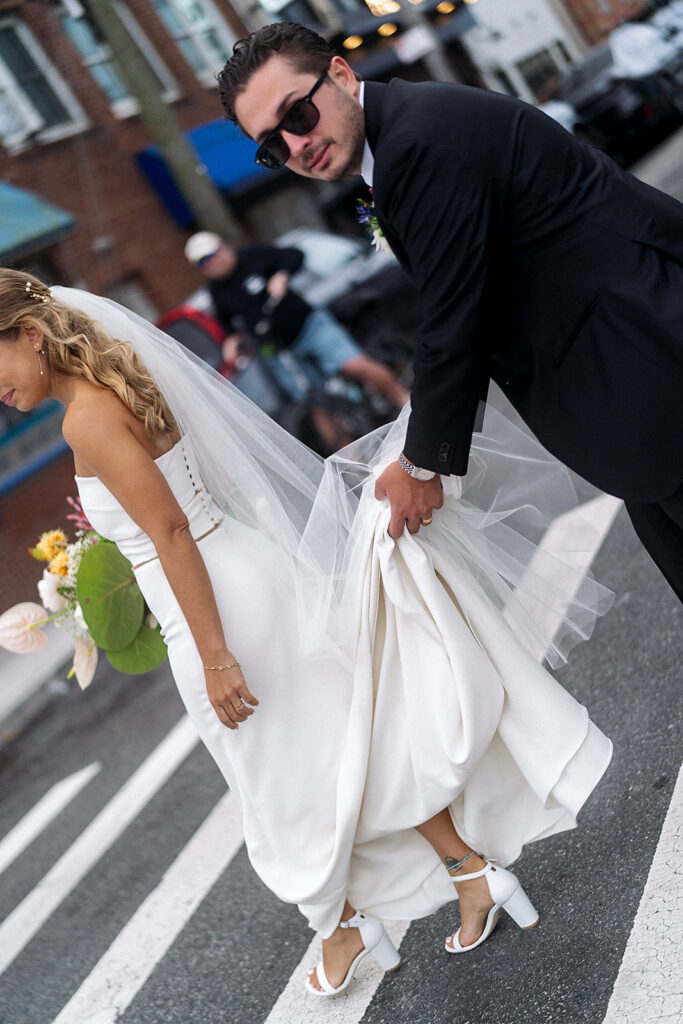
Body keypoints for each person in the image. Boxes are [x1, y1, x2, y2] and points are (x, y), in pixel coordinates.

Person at [0, 269, 613, 997]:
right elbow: (184, 511)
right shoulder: (124, 387)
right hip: (242, 572)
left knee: (273, 780)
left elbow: (167, 531)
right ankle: (467, 872)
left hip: (214, 609)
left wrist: (216, 654)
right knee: (342, 735)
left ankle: (342, 928)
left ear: (31, 336)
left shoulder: (85, 419)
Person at [216, 23, 683, 603]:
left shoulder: (417, 144)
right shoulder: (401, 135)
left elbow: (455, 313)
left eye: (298, 116)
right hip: (630, 374)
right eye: (272, 146)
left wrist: (419, 465)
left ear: (340, 74)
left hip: (650, 349)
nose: (295, 146)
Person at [184, 230, 409, 409]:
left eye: (211, 256)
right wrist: (232, 340)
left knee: (354, 365)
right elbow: (227, 323)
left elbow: (294, 255)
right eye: (202, 263)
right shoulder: (216, 291)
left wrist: (281, 275)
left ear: (223, 248)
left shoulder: (253, 256)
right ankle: (350, 454)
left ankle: (403, 399)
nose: (210, 264)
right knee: (312, 403)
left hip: (308, 326)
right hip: (279, 349)